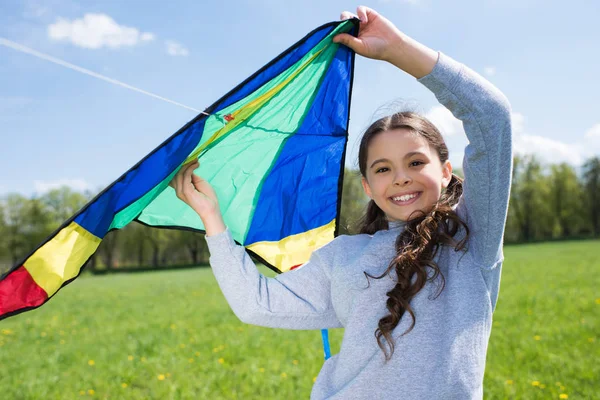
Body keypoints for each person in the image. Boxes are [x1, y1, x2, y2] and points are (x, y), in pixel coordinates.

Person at [170, 6, 512, 399]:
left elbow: (492, 117)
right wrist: (212, 219)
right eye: (382, 169)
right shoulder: (342, 256)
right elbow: (256, 304)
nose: (400, 176)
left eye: (415, 162)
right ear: (367, 186)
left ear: (447, 170)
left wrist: (397, 50)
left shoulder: (472, 235)